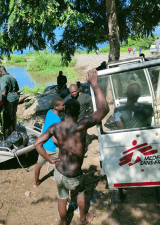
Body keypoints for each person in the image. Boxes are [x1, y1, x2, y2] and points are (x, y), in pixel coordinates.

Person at [34, 69, 109, 225]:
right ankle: (82, 218)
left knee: (62, 199)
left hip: (59, 172)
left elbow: (37, 143)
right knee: (80, 193)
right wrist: (94, 84)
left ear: (65, 111)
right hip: (74, 174)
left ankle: (63, 223)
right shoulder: (81, 126)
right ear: (79, 111)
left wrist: (49, 160)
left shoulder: (56, 127)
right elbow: (104, 109)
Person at [33, 96, 65, 189]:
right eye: (62, 105)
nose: (64, 106)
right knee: (61, 163)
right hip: (52, 148)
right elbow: (55, 139)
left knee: (38, 165)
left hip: (43, 146)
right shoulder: (57, 120)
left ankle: (36, 182)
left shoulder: (49, 112)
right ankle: (62, 184)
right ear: (56, 107)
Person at [0, 66, 20, 137]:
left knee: (7, 116)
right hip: (15, 98)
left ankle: (9, 134)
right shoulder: (12, 77)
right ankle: (14, 131)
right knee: (13, 115)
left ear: (0, 72)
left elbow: (4, 92)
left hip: (9, 100)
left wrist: (2, 103)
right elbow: (17, 89)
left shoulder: (3, 79)